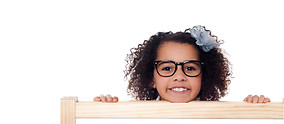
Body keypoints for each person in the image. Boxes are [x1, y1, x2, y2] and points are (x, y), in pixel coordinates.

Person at [94, 25, 270, 103]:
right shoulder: (138, 117)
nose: (179, 76)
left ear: (204, 75)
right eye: (167, 68)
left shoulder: (217, 118)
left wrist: (254, 107)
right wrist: (103, 108)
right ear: (151, 78)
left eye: (190, 68)